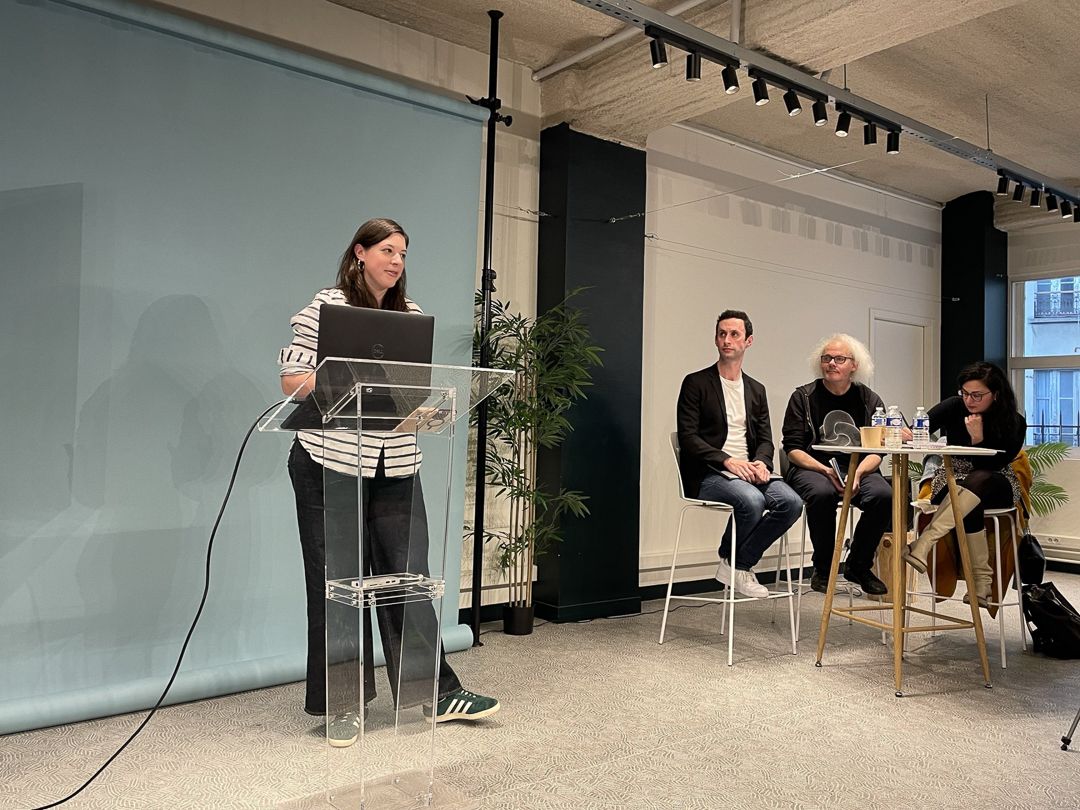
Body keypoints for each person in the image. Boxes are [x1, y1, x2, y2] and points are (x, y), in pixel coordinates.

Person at [279, 217, 499, 746]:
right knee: (337, 584)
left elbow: (412, 390)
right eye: (386, 251)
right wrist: (346, 378)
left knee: (410, 579)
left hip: (395, 463)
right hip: (328, 463)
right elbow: (291, 381)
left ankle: (435, 692)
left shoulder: (411, 317)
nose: (396, 261)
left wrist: (427, 409)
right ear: (360, 253)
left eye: (402, 253)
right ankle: (343, 704)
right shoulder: (325, 307)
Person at [676, 310, 802, 598]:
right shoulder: (696, 383)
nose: (727, 340)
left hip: (749, 471)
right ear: (715, 339)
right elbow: (688, 438)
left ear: (748, 341)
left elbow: (766, 439)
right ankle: (738, 566)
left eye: (734, 334)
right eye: (722, 334)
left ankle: (736, 564)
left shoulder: (756, 389)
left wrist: (762, 462)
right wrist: (727, 461)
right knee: (752, 500)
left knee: (791, 503)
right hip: (709, 472)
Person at [902, 361, 1027, 607]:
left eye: (977, 395)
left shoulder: (1014, 421)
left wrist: (977, 437)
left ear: (996, 394)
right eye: (965, 393)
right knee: (969, 498)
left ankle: (925, 542)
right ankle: (982, 585)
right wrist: (909, 433)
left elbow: (993, 464)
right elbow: (920, 429)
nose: (969, 400)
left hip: (996, 481)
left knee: (978, 481)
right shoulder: (953, 406)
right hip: (952, 478)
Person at [781, 334, 891, 596]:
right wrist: (825, 470)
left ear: (854, 365)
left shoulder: (869, 400)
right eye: (827, 358)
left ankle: (858, 566)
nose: (831, 363)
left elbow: (878, 450)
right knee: (822, 493)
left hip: (859, 467)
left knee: (884, 495)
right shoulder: (803, 397)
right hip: (812, 467)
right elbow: (793, 449)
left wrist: (858, 473)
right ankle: (823, 568)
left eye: (839, 359)